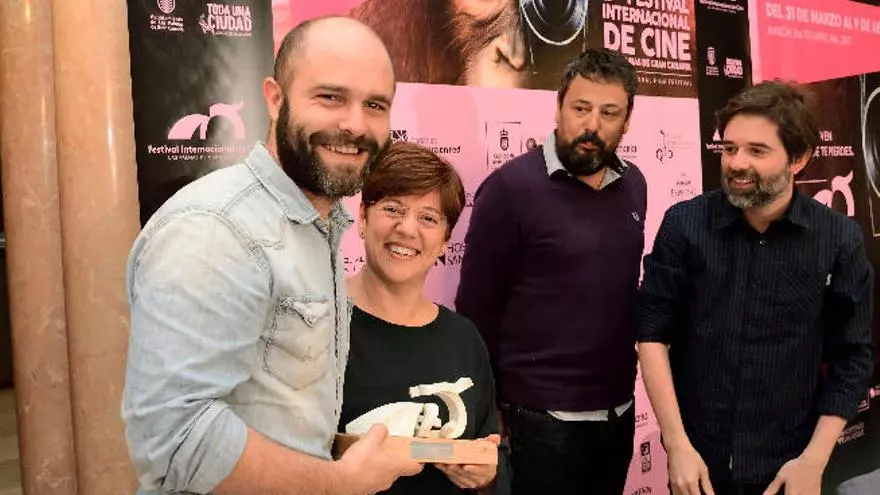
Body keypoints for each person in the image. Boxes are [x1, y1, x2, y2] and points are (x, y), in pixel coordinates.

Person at [121, 16, 423, 495]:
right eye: (331, 97)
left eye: (375, 105)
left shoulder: (318, 223)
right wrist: (340, 483)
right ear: (275, 98)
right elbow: (177, 439)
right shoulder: (217, 228)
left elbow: (278, 412)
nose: (355, 124)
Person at [637, 80, 874, 495]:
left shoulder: (838, 239)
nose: (736, 163)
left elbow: (853, 358)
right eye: (729, 148)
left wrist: (813, 462)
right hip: (698, 466)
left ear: (799, 158)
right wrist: (677, 445)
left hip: (788, 468)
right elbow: (652, 334)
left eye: (757, 151)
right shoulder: (684, 224)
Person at [454, 48, 646, 494]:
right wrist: (489, 406)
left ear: (627, 121)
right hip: (539, 422)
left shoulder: (634, 184)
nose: (592, 125)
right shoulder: (510, 189)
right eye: (580, 108)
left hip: (618, 412)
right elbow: (477, 309)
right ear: (558, 106)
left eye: (609, 113)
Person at [338, 141, 502, 495]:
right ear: (363, 218)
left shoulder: (464, 339)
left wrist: (487, 477)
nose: (407, 229)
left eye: (428, 218)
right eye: (392, 208)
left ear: (445, 241)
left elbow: (494, 460)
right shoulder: (315, 325)